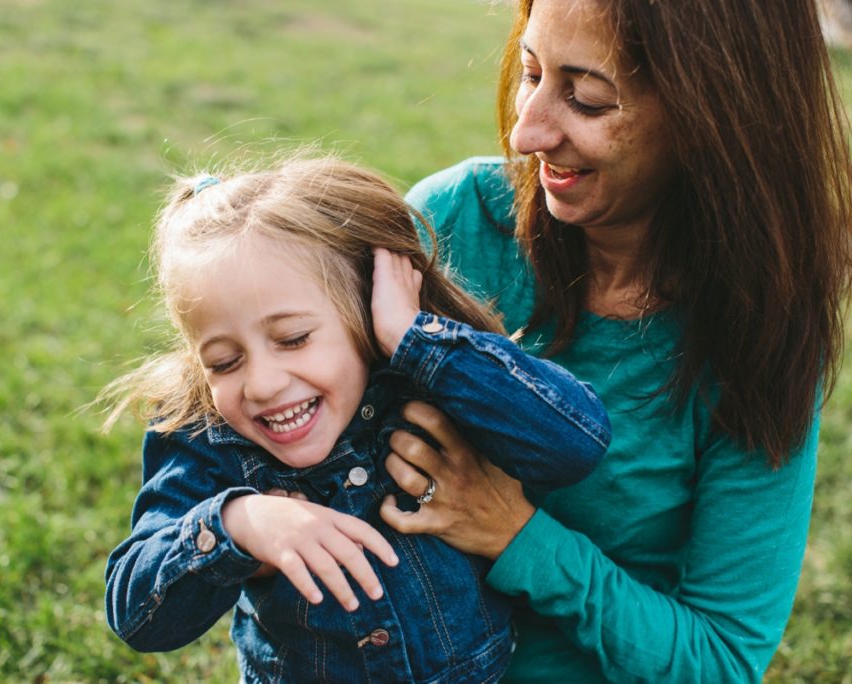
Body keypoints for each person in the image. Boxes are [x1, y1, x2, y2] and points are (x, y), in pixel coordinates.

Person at [378, 0, 852, 682]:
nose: (527, 131)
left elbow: (721, 657)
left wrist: (514, 534)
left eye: (589, 100)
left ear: (711, 119)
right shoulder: (454, 221)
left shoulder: (755, 333)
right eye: (531, 72)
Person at [101, 157, 612, 682]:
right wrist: (238, 524)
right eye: (224, 363)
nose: (262, 384)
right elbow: (138, 616)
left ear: (367, 310)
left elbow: (575, 445)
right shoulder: (209, 439)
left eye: (293, 338)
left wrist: (415, 338)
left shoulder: (424, 382)